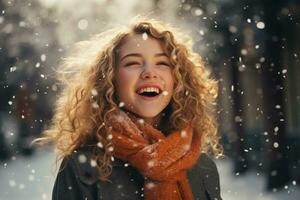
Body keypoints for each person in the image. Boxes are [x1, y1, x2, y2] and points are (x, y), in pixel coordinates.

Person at [36, 17, 223, 200]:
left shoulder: (202, 168)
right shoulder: (82, 168)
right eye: (133, 63)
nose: (150, 73)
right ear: (110, 79)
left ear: (178, 79)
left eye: (163, 63)